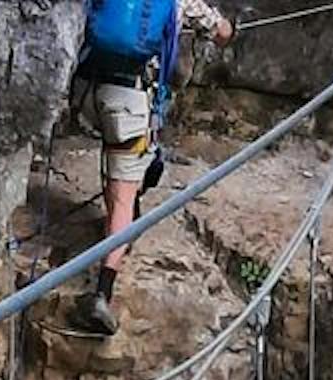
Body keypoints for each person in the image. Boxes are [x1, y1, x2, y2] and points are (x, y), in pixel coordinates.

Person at [71, 0, 236, 337]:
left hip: (85, 91)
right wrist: (230, 27)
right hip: (128, 99)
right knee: (123, 194)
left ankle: (118, 216)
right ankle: (102, 292)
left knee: (117, 159)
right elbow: (222, 33)